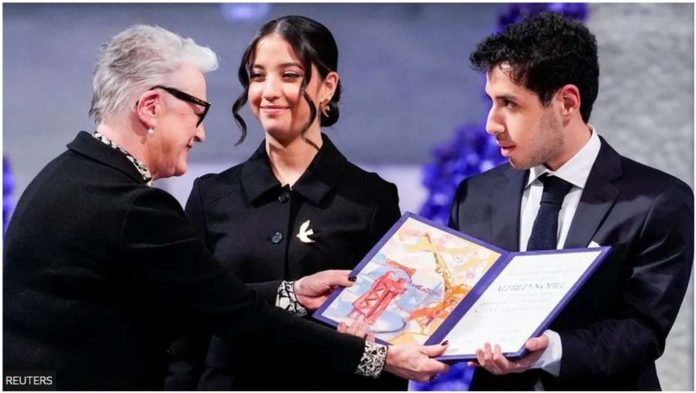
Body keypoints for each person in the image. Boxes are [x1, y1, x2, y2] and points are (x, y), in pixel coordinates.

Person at [2, 24, 450, 390]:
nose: (199, 134)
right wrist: (377, 357)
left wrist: (292, 292)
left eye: (289, 74)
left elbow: (200, 297)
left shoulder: (71, 174)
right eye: (197, 113)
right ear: (151, 107)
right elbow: (223, 312)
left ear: (327, 85)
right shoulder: (130, 205)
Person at [449, 13, 693, 390]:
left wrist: (552, 350)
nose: (491, 124)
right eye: (491, 102)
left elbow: (642, 331)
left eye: (509, 104)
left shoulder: (658, 201)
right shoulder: (474, 195)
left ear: (566, 102)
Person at [165, 15, 407, 390]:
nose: (269, 91)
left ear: (327, 87)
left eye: (289, 75)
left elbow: (389, 344)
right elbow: (184, 329)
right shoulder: (211, 196)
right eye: (258, 76)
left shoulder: (371, 199)